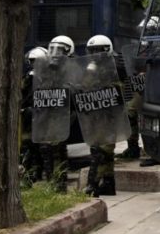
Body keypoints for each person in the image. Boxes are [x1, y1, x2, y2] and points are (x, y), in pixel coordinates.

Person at [82, 34, 121, 197]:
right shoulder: (94, 69)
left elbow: (117, 90)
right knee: (104, 151)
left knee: (100, 150)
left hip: (108, 116)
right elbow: (85, 88)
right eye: (92, 51)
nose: (95, 54)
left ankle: (92, 185)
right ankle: (108, 184)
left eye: (98, 50)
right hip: (97, 115)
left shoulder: (114, 68)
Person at [40, 35, 75, 192]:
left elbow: (77, 90)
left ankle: (60, 183)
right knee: (46, 149)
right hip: (47, 115)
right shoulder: (46, 70)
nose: (55, 53)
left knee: (59, 149)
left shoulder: (73, 68)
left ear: (68, 51)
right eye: (52, 49)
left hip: (62, 115)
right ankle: (50, 181)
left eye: (59, 50)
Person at [20, 46, 47, 183]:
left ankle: (34, 173)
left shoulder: (46, 78)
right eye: (32, 61)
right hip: (30, 115)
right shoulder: (29, 77)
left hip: (39, 115)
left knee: (37, 147)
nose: (34, 64)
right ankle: (31, 174)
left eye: (36, 61)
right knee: (29, 146)